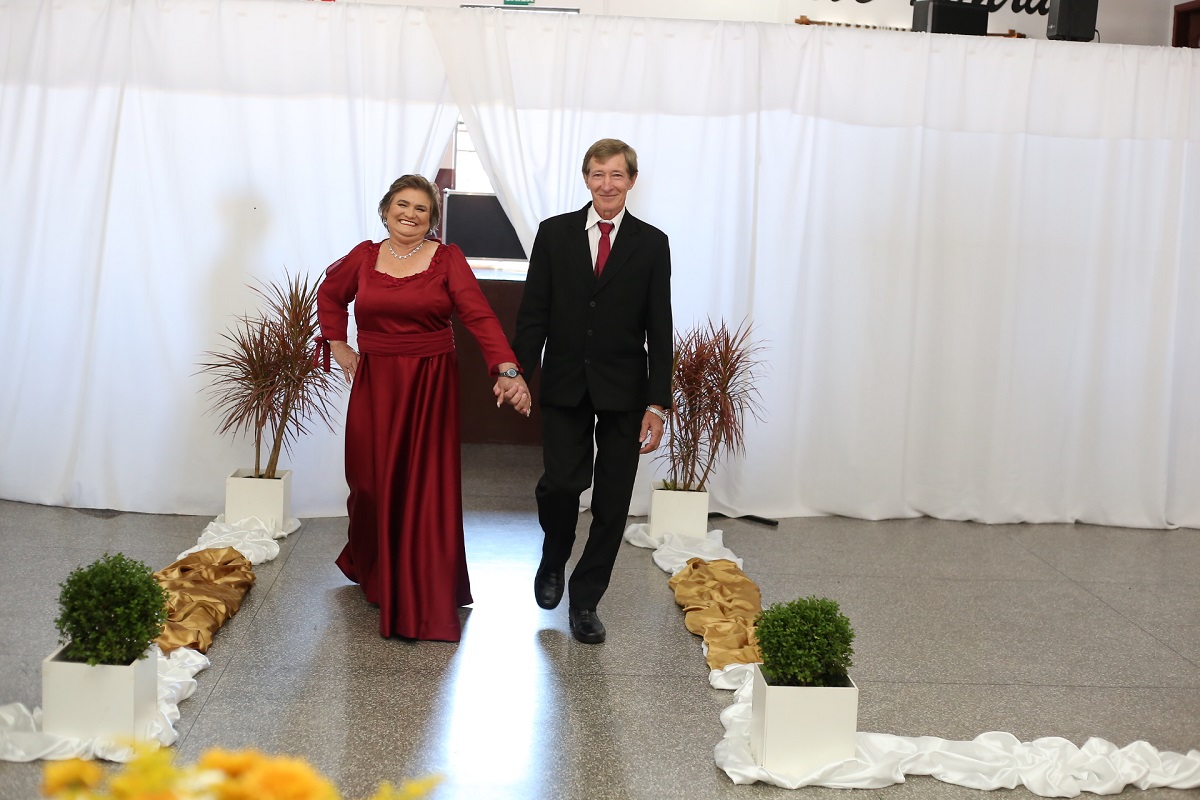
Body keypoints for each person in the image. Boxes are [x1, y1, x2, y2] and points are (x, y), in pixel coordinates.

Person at [317, 174, 531, 642]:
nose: (409, 214)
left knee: (420, 487)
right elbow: (330, 293)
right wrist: (337, 342)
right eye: (402, 204)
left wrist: (507, 368)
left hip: (428, 385)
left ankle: (418, 589)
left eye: (421, 208)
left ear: (432, 218)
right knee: (369, 484)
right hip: (375, 383)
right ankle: (374, 569)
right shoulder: (364, 256)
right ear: (386, 209)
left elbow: (479, 316)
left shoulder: (447, 259)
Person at [504, 139, 673, 644]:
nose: (607, 184)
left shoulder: (652, 243)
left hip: (626, 391)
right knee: (561, 484)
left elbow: (660, 328)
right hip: (564, 383)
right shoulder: (554, 234)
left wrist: (656, 403)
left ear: (632, 181)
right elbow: (534, 314)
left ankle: (585, 601)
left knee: (612, 502)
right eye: (598, 174)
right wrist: (516, 373)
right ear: (586, 178)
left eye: (617, 175)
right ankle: (554, 555)